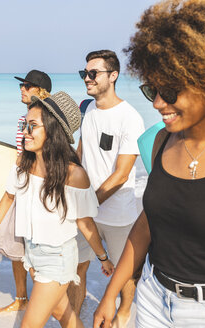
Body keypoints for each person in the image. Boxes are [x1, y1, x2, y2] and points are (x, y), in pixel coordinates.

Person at [93, 0, 205, 327]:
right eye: (152, 89)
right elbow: (150, 223)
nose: (158, 103)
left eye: (170, 90)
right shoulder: (162, 141)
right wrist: (112, 291)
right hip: (152, 298)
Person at [0, 91, 115, 328]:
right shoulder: (22, 166)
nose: (25, 132)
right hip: (31, 253)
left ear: (53, 132)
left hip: (58, 258)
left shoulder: (74, 175)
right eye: (25, 124)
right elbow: (7, 199)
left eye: (32, 126)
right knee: (62, 313)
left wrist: (102, 257)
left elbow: (85, 223)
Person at [68, 49, 144, 327]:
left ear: (113, 76)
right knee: (77, 266)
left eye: (93, 73)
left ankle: (123, 313)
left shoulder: (129, 117)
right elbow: (81, 153)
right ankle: (74, 316)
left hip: (117, 213)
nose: (86, 78)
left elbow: (122, 174)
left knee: (124, 271)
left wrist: (89, 202)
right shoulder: (87, 109)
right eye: (84, 73)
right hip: (85, 210)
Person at [0, 70, 52, 315]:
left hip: (40, 189)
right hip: (22, 185)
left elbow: (52, 152)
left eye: (28, 85)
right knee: (17, 248)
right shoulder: (23, 117)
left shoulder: (48, 117)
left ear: (41, 90)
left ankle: (45, 301)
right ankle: (21, 298)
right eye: (22, 85)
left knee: (37, 249)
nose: (22, 89)